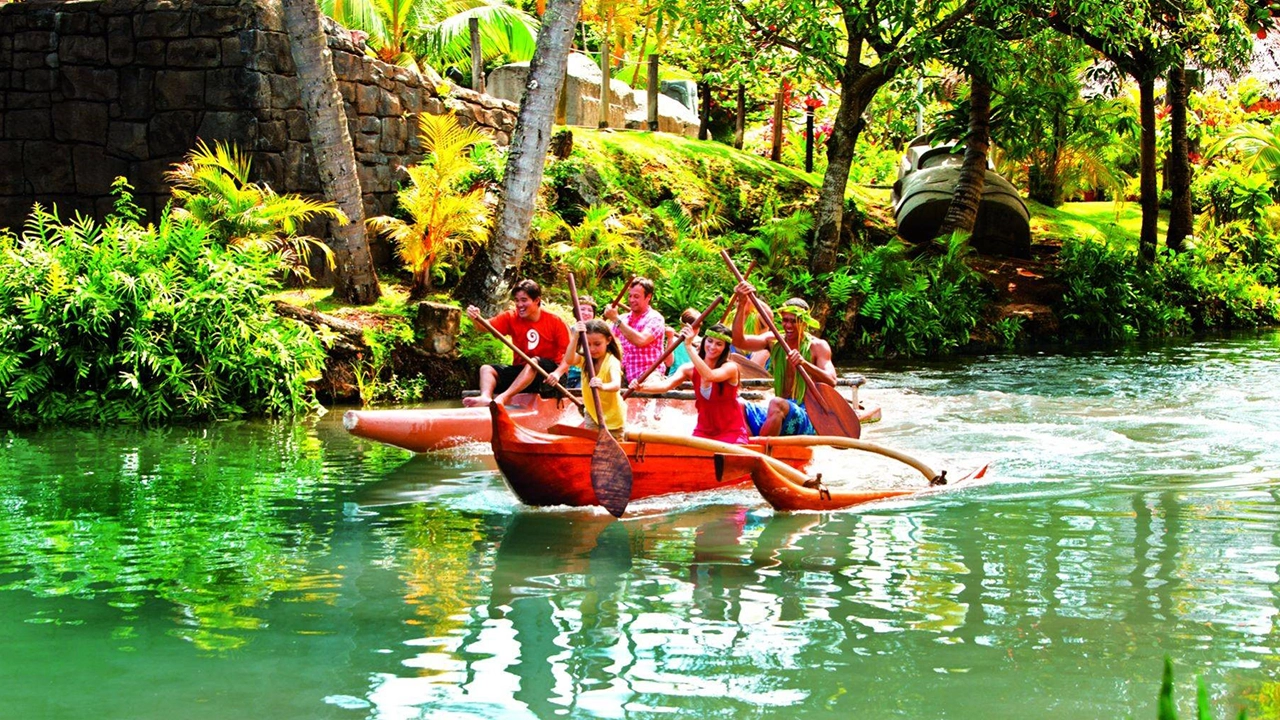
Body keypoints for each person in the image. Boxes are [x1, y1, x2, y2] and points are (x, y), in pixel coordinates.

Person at [730, 283, 837, 436]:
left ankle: (765, 449)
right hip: (779, 409)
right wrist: (741, 304)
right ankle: (750, 448)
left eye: (794, 321)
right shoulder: (773, 341)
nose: (788, 325)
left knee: (776, 403)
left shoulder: (818, 346)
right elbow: (738, 341)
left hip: (808, 414)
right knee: (737, 405)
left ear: (805, 323)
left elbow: (831, 381)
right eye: (785, 320)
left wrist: (804, 363)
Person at [630, 322, 749, 444]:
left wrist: (688, 347)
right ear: (704, 342)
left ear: (725, 348)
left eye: (719, 344)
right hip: (703, 431)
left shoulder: (730, 368)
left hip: (731, 433)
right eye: (710, 341)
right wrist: (641, 387)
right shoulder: (688, 369)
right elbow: (665, 386)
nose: (712, 347)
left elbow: (709, 376)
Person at [463, 279, 569, 407]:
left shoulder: (554, 321)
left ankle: (503, 397)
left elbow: (569, 356)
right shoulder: (511, 317)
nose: (519, 305)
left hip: (550, 376)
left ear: (536, 301)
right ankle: (485, 397)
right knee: (487, 369)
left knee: (534, 362)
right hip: (523, 373)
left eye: (524, 300)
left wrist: (558, 373)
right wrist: (476, 318)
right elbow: (484, 327)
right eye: (517, 301)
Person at [547, 319, 625, 436]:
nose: (592, 349)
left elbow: (616, 385)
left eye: (597, 344)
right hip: (592, 413)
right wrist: (575, 338)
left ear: (608, 340)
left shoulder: (611, 361)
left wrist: (602, 385)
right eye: (587, 344)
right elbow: (569, 359)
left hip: (613, 419)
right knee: (591, 446)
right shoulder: (585, 358)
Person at [602, 277, 665, 383]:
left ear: (648, 297)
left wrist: (615, 319)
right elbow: (608, 342)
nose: (631, 300)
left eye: (636, 297)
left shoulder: (655, 318)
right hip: (623, 373)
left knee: (652, 385)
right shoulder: (623, 319)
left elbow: (641, 341)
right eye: (630, 296)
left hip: (648, 374)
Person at [563, 295, 596, 389]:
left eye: (590, 310)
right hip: (568, 373)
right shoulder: (568, 330)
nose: (586, 313)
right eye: (582, 309)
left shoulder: (598, 333)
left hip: (587, 374)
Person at [665, 308, 699, 376]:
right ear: (683, 326)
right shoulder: (674, 340)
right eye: (694, 328)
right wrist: (669, 339)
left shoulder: (701, 342)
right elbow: (668, 363)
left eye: (698, 327)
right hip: (675, 379)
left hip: (693, 379)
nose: (695, 331)